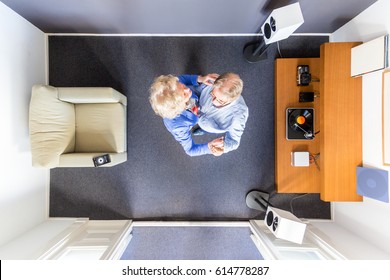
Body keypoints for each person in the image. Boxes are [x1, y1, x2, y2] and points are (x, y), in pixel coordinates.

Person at [149, 74, 224, 156]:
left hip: (195, 100)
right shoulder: (178, 127)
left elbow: (182, 79)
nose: (188, 90)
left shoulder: (174, 86)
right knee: (213, 125)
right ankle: (203, 129)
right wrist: (209, 147)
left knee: (210, 83)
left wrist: (201, 79)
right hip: (193, 116)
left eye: (183, 86)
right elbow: (190, 150)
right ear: (179, 106)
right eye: (184, 94)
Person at [196, 72, 248, 154]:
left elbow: (234, 141)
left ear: (232, 99)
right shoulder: (216, 81)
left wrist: (223, 148)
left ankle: (203, 129)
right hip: (198, 107)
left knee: (204, 128)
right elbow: (200, 88)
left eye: (220, 101)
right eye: (213, 94)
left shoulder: (239, 116)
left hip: (209, 125)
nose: (213, 101)